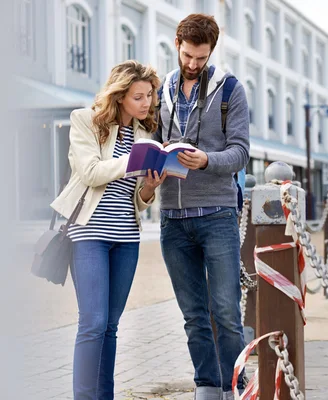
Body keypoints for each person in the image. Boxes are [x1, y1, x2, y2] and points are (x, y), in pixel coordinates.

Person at [50, 60, 167, 400]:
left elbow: (140, 200)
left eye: (150, 96)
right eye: (139, 97)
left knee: (111, 327)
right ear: (119, 96)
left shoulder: (146, 134)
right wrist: (135, 161)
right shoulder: (84, 120)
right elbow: (90, 172)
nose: (147, 103)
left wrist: (149, 186)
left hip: (127, 238)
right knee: (93, 323)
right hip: (89, 233)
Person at [152, 13, 250, 400]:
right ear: (178, 44)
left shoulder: (231, 90)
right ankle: (207, 387)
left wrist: (206, 160)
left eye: (201, 57)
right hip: (172, 221)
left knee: (226, 313)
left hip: (217, 216)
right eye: (188, 55)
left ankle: (235, 387)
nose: (193, 64)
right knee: (194, 317)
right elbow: (154, 142)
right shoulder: (162, 90)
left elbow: (241, 153)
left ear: (211, 51)